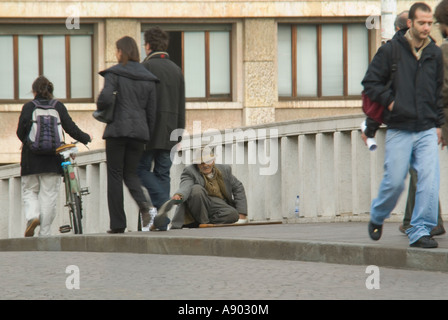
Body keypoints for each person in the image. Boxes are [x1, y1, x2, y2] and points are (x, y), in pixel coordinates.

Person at [362, 2, 444, 248]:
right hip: (400, 128)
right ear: (410, 22)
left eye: (430, 23)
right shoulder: (390, 52)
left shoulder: (435, 53)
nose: (427, 28)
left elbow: (438, 91)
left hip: (427, 128)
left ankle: (419, 230)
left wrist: (439, 123)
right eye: (422, 23)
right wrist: (391, 104)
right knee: (395, 182)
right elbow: (371, 84)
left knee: (429, 181)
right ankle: (378, 215)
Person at [97, 36, 158, 233]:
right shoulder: (148, 77)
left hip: (117, 131)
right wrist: (146, 134)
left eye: (117, 50)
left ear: (121, 51)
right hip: (139, 133)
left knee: (115, 175)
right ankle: (145, 205)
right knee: (130, 174)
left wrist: (102, 104)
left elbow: (105, 99)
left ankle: (117, 224)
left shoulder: (114, 73)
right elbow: (152, 111)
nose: (116, 54)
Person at [16, 76, 91, 237]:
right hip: (53, 159)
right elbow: (71, 127)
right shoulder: (58, 106)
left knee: (30, 191)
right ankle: (45, 233)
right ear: (51, 91)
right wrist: (86, 138)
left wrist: (30, 145)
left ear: (34, 91)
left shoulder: (28, 107)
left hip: (31, 160)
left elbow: (20, 132)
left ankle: (33, 216)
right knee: (48, 196)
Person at [137, 27, 186, 212]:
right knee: (163, 173)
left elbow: (140, 103)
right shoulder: (176, 70)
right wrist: (179, 135)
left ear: (148, 45)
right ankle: (162, 220)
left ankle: (160, 202)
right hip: (171, 132)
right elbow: (181, 106)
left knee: (139, 170)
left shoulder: (145, 67)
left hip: (148, 132)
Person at [153, 147, 248, 230]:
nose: (205, 165)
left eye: (208, 161)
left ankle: (201, 223)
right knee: (196, 189)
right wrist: (179, 195)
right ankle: (203, 222)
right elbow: (185, 186)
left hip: (218, 205)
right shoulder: (190, 171)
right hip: (200, 203)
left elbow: (238, 187)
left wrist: (242, 214)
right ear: (197, 164)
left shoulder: (225, 169)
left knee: (233, 214)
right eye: (201, 163)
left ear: (213, 161)